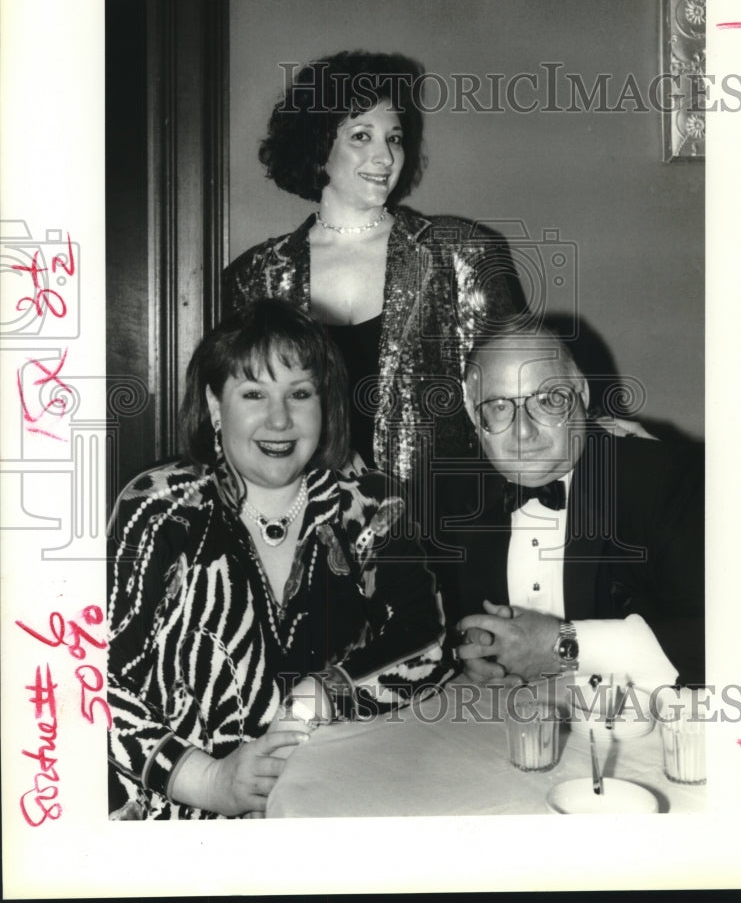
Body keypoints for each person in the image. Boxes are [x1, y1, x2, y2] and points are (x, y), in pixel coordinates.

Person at [107, 298, 454, 820]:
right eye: (253, 393)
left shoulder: (370, 503)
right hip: (177, 827)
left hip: (331, 806)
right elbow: (91, 682)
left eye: (299, 393)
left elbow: (428, 642)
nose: (279, 419)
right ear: (215, 406)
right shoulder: (157, 509)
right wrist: (209, 780)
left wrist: (323, 693)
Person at [223, 50, 528, 485]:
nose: (385, 157)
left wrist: (596, 433)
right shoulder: (255, 276)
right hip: (306, 527)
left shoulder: (459, 251)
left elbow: (525, 380)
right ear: (317, 147)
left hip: (441, 527)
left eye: (395, 138)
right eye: (361, 136)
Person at [433, 321, 704, 690]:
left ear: (583, 394)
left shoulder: (664, 478)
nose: (523, 431)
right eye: (498, 406)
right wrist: (464, 649)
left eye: (549, 400)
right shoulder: (447, 494)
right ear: (472, 415)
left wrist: (564, 646)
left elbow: (728, 635)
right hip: (495, 724)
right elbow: (419, 624)